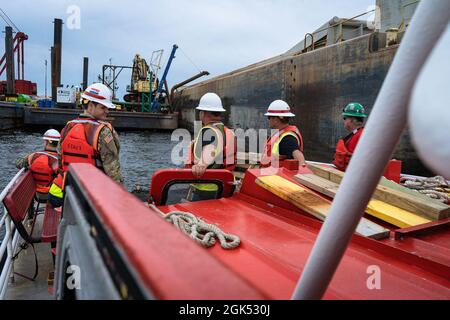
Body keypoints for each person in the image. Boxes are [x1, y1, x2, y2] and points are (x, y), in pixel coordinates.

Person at [48, 83, 123, 207]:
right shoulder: (103, 131)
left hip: (70, 191)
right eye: (103, 107)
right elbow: (113, 169)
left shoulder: (68, 127)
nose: (107, 111)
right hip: (94, 195)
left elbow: (61, 160)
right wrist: (121, 198)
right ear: (91, 105)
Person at [185, 92, 236, 201]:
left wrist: (201, 164)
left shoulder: (208, 131)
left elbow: (211, 149)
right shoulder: (228, 132)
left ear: (203, 113)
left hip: (206, 189)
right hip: (224, 188)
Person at [15, 129, 60, 200]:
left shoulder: (33, 156)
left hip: (36, 195)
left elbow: (18, 163)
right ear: (58, 143)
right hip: (53, 196)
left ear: (46, 142)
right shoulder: (60, 160)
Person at [260, 100, 306, 168]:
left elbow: (300, 160)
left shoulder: (288, 139)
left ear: (276, 119)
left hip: (276, 177)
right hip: (269, 176)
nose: (268, 120)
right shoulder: (280, 134)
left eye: (269, 117)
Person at [333, 102, 367, 171]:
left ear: (351, 120)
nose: (343, 121)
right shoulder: (361, 134)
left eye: (345, 118)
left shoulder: (359, 137)